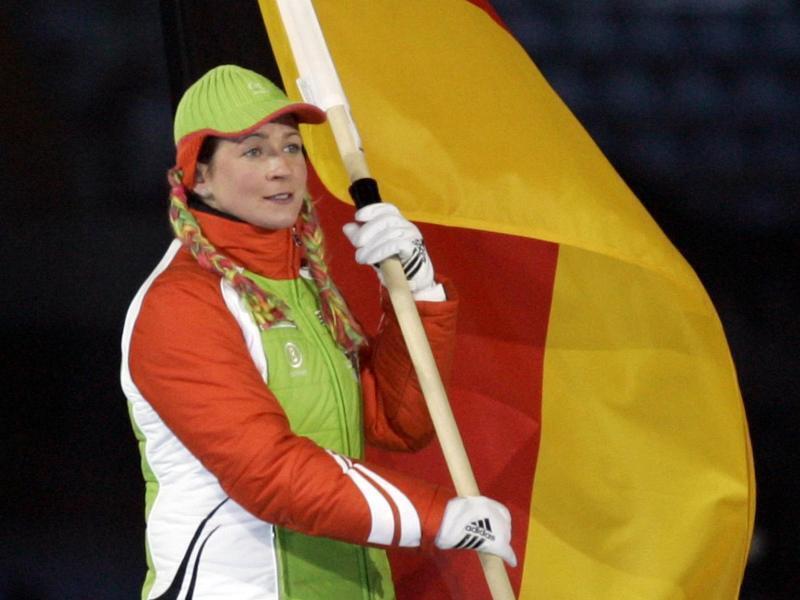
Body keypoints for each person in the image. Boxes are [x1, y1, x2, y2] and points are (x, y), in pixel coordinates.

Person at [121, 64, 514, 600]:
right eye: (254, 150)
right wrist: (437, 516)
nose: (282, 167)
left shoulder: (306, 287)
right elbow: (268, 472)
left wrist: (418, 291)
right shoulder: (181, 305)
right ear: (200, 176)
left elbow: (398, 423)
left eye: (291, 147)